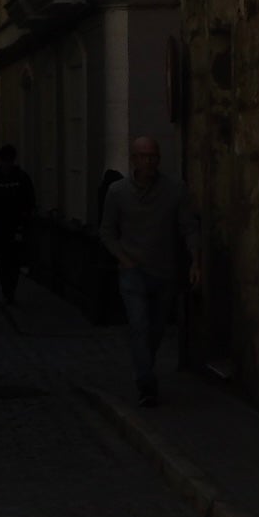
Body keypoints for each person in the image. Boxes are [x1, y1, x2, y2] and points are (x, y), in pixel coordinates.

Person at [100, 135, 201, 405]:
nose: (150, 161)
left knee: (155, 329)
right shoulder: (118, 192)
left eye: (154, 156)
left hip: (164, 272)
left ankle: (144, 367)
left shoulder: (174, 190)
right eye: (144, 156)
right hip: (132, 271)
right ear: (134, 159)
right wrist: (123, 257)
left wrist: (195, 260)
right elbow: (107, 232)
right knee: (139, 325)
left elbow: (188, 227)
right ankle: (146, 383)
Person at [0, 144, 37, 309]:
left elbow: (30, 199)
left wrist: (23, 216)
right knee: (3, 259)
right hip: (0, 226)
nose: (7, 163)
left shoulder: (20, 178)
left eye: (9, 160)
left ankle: (10, 288)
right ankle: (7, 290)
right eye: (5, 160)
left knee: (15, 259)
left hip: (16, 226)